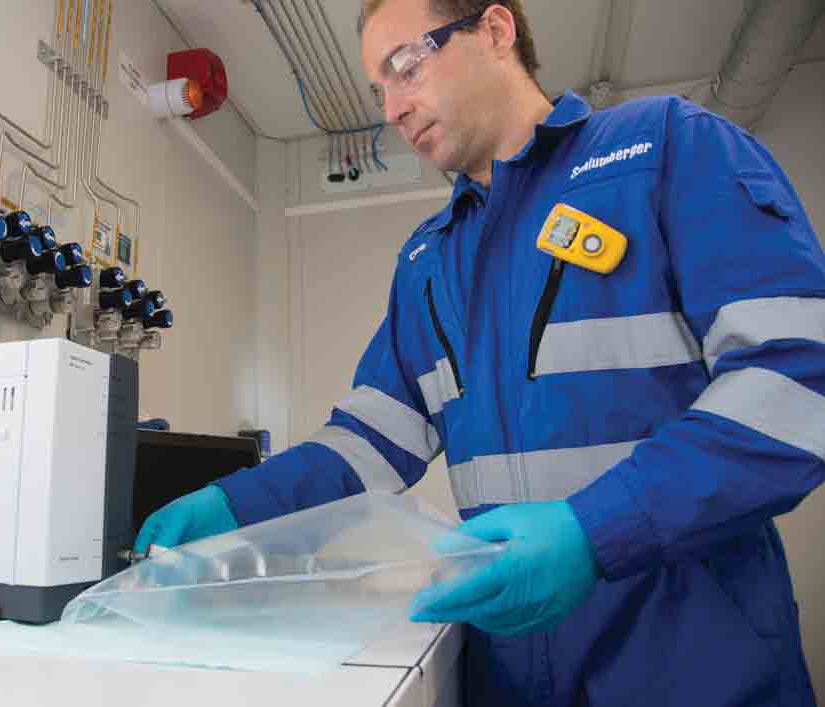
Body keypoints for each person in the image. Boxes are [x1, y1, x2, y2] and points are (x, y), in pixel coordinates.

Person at [134, 0, 824, 703]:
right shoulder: (429, 258)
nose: (393, 109)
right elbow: (367, 446)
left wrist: (596, 531)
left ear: (496, 31)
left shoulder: (664, 150)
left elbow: (797, 381)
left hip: (692, 668)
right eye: (380, 90)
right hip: (511, 673)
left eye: (405, 66)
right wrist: (232, 506)